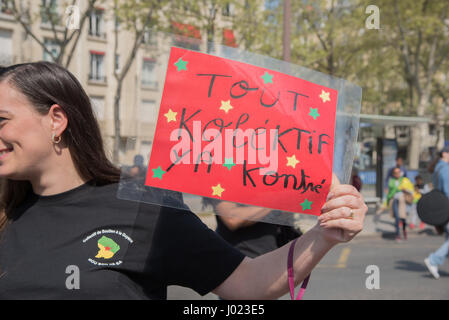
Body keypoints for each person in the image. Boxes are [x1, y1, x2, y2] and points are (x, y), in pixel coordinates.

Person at [0, 62, 367, 299]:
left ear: (56, 119)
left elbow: (246, 284)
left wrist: (323, 235)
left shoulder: (140, 208)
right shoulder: (6, 216)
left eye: (2, 120)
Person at [424, 147, 449, 279]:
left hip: (442, 209)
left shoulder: (438, 168)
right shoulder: (445, 169)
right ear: (445, 154)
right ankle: (433, 260)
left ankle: (434, 260)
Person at [386, 167, 414, 241]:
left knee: (403, 217)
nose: (397, 174)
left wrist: (405, 189)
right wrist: (386, 202)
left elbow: (411, 190)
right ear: (393, 174)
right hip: (394, 200)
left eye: (399, 172)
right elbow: (390, 193)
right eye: (396, 172)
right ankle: (398, 234)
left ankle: (404, 230)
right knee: (397, 218)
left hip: (402, 200)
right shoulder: (391, 181)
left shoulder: (405, 180)